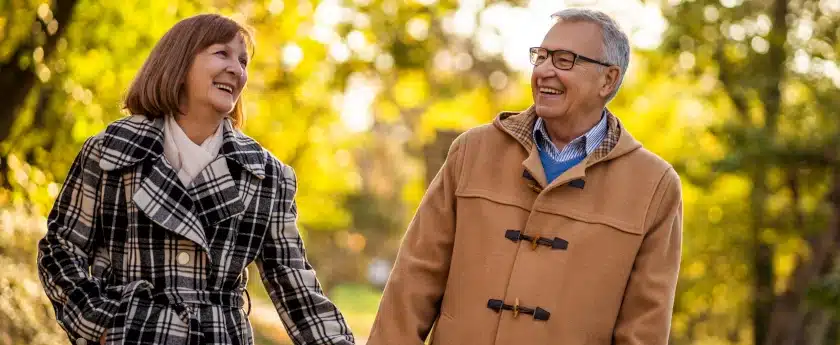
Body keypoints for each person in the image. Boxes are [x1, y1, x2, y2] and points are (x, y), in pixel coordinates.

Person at [367, 7, 682, 345]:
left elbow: (644, 328)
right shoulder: (473, 152)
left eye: (564, 60)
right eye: (541, 57)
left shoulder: (653, 186)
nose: (545, 71)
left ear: (608, 79)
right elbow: (412, 283)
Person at [37, 13, 354, 345]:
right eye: (222, 54)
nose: (238, 69)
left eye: (243, 61)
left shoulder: (266, 175)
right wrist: (99, 324)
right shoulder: (110, 152)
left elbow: (297, 287)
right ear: (180, 61)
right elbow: (61, 248)